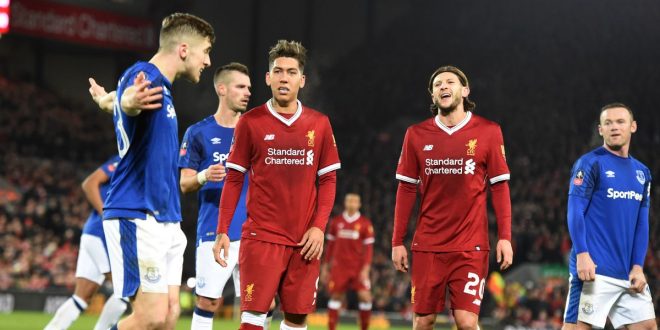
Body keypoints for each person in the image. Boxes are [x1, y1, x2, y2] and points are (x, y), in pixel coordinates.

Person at [212, 40, 341, 330]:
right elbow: (234, 179)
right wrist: (222, 229)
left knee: (296, 319)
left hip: (305, 240)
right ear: (268, 77)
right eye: (279, 71)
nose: (285, 78)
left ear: (302, 80)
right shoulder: (250, 122)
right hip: (262, 237)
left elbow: (329, 180)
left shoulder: (319, 124)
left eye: (292, 72)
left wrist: (319, 227)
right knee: (254, 316)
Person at [100, 13, 215, 330]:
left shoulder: (161, 88)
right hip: (138, 211)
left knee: (166, 318)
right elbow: (132, 101)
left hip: (166, 217)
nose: (207, 60)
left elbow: (123, 102)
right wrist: (126, 102)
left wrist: (109, 102)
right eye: (204, 51)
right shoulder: (144, 76)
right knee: (149, 316)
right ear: (183, 49)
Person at [391, 65, 513, 330]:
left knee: (467, 322)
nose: (443, 87)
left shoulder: (488, 131)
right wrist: (397, 240)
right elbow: (406, 189)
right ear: (433, 96)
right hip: (428, 245)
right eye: (437, 85)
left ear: (465, 90)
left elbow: (500, 187)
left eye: (450, 82)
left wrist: (505, 237)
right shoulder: (416, 134)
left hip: (470, 245)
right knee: (423, 321)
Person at [178, 62, 275, 330]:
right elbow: (184, 183)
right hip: (213, 230)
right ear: (222, 89)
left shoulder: (259, 131)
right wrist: (204, 175)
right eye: (240, 87)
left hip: (255, 232)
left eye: (249, 88)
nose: (247, 92)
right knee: (208, 302)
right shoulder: (198, 133)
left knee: (262, 303)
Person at [563, 103, 656, 330]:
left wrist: (637, 266)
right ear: (600, 129)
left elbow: (641, 224)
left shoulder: (642, 173)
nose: (614, 127)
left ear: (633, 127)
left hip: (627, 273)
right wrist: (583, 254)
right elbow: (575, 211)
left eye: (620, 122)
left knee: (646, 326)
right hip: (595, 269)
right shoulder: (590, 163)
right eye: (608, 123)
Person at [45, 156, 128, 330]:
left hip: (93, 234)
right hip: (102, 233)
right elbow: (89, 183)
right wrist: (106, 215)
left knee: (81, 298)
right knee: (125, 291)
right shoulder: (125, 159)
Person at [322, 193, 374, 330]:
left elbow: (368, 249)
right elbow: (330, 247)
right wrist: (326, 266)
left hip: (358, 267)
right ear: (345, 203)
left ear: (359, 204)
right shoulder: (336, 222)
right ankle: (331, 328)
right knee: (336, 296)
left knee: (365, 297)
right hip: (339, 267)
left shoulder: (365, 224)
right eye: (349, 201)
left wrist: (366, 269)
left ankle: (364, 328)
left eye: (355, 201)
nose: (352, 203)